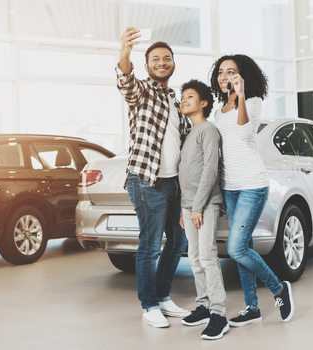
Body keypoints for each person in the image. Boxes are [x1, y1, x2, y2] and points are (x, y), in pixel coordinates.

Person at [210, 54, 294, 327]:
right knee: (243, 247)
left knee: (235, 248)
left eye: (230, 71)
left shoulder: (253, 101)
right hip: (230, 186)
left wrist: (242, 96)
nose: (225, 76)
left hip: (252, 184)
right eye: (221, 72)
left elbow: (245, 133)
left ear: (242, 75)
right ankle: (252, 308)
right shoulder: (218, 109)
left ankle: (279, 289)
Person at [116, 27, 191, 328]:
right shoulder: (143, 91)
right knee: (150, 245)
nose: (162, 62)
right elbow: (126, 83)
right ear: (147, 66)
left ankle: (162, 298)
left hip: (173, 182)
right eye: (156, 59)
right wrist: (124, 54)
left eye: (167, 58)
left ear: (174, 63)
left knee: (178, 240)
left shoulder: (176, 100)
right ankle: (148, 305)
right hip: (147, 180)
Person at [178, 79, 228, 340]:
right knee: (195, 258)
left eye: (189, 97)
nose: (183, 101)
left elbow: (210, 170)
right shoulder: (189, 133)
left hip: (205, 205)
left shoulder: (209, 130)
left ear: (204, 102)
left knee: (208, 257)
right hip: (190, 207)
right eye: (182, 97)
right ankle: (204, 306)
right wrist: (184, 209)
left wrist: (197, 206)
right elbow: (186, 173)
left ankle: (219, 314)